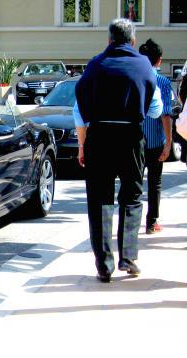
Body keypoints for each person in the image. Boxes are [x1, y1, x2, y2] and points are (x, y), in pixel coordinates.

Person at [73, 18, 162, 283]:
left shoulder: (95, 65)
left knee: (100, 199)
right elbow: (156, 109)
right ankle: (128, 257)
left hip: (99, 135)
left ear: (109, 40)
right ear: (133, 41)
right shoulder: (144, 66)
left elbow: (79, 109)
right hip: (131, 137)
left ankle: (104, 264)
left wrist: (81, 145)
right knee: (132, 196)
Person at [139, 38, 172, 235]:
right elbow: (165, 115)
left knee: (132, 182)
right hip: (155, 142)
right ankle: (152, 222)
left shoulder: (133, 78)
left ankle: (129, 220)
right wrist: (168, 142)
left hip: (134, 141)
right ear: (159, 61)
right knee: (154, 182)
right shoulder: (163, 82)